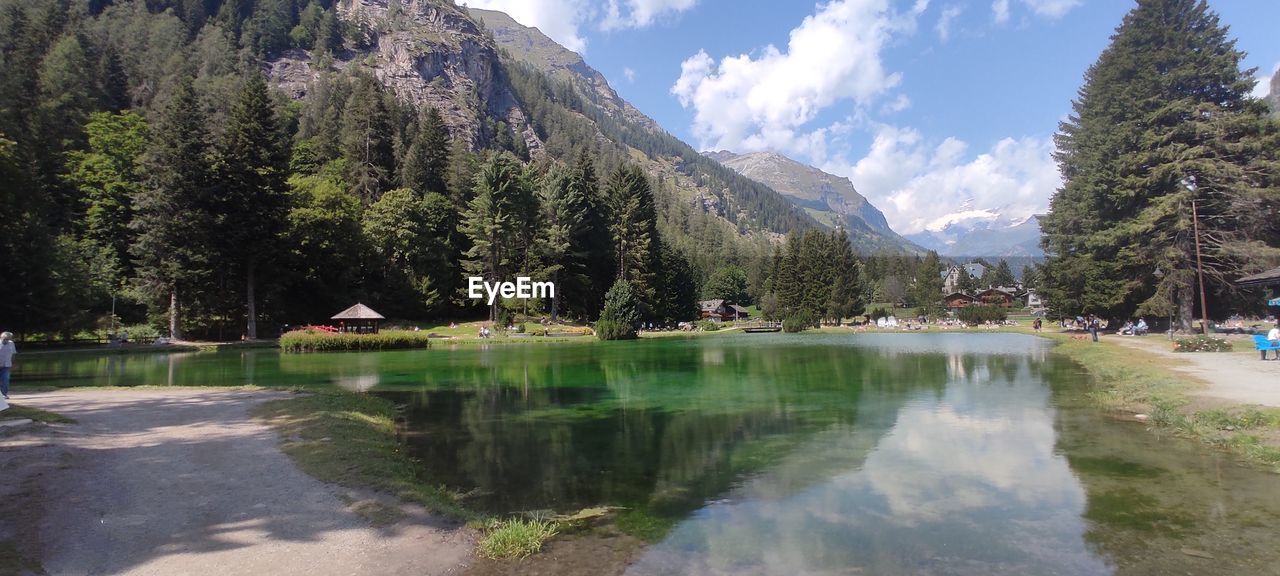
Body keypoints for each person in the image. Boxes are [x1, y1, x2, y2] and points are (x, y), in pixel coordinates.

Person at [0, 332, 15, 399]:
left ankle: (4, 394)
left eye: (8, 339)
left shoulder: (11, 343)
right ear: (1, 338)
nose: (6, 340)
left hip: (7, 365)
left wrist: (13, 363)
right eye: (5, 339)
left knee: (5, 380)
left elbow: (13, 354)